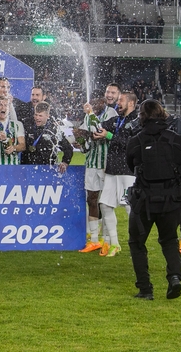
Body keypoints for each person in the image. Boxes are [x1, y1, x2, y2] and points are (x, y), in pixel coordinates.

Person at [126, 100, 181, 300]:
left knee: (137, 243)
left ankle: (145, 289)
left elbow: (131, 165)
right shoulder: (177, 139)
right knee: (169, 240)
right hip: (171, 199)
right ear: (162, 114)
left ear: (142, 116)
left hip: (144, 200)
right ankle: (174, 277)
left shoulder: (136, 141)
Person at [93, 91, 138, 257]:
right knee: (104, 205)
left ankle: (137, 243)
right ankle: (115, 243)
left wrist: (109, 135)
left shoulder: (137, 121)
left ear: (131, 103)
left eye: (121, 101)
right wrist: (93, 123)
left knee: (129, 207)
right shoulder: (116, 119)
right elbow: (100, 126)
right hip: (112, 170)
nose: (118, 103)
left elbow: (132, 144)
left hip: (128, 171)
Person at [77, 96, 118, 253]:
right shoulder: (88, 116)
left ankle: (107, 240)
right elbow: (87, 145)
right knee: (91, 199)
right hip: (92, 164)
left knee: (106, 203)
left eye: (96, 103)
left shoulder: (111, 114)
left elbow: (100, 131)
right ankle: (94, 239)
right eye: (91, 103)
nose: (93, 105)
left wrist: (91, 114)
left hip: (107, 165)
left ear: (103, 103)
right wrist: (81, 141)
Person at [21, 102, 73, 170]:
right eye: (36, 115)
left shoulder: (54, 130)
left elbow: (68, 148)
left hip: (47, 168)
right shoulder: (27, 125)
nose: (37, 118)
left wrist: (65, 162)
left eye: (40, 116)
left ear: (48, 116)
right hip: (28, 167)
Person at [0, 96, 26, 165]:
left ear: (9, 108)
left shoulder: (18, 124)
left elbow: (23, 145)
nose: (3, 107)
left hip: (13, 166)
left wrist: (13, 148)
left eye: (6, 105)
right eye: (0, 105)